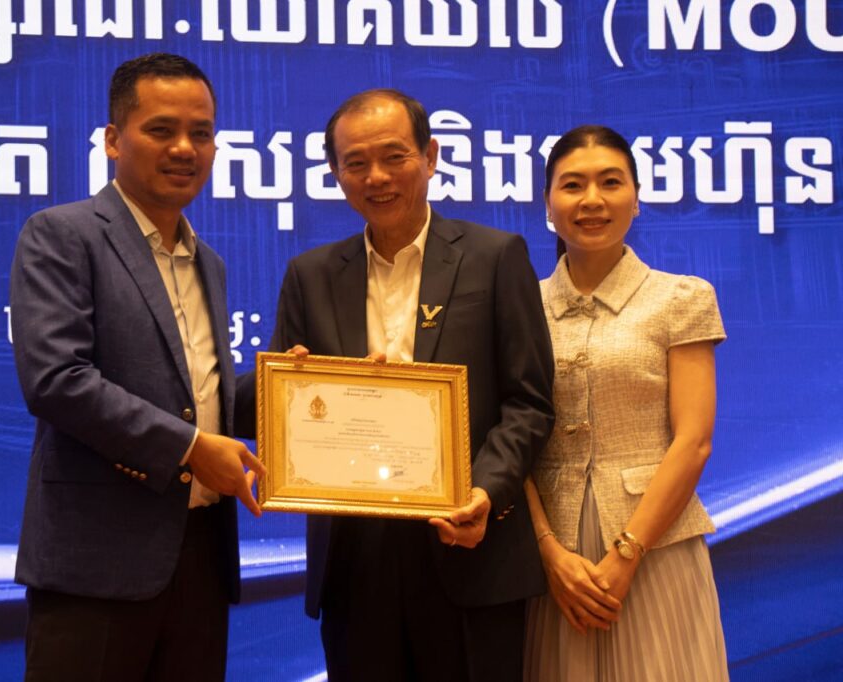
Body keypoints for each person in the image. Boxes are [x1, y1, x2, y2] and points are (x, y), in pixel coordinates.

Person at [239, 89, 555, 681]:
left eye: (393, 157)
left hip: (470, 546)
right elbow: (269, 406)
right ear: (336, 173)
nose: (376, 177)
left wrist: (485, 491)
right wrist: (285, 388)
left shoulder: (494, 257)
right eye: (355, 163)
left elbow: (529, 403)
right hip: (355, 561)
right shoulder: (310, 275)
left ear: (430, 157)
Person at [9, 53, 264, 682]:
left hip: (200, 560)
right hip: (95, 564)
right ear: (113, 140)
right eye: (161, 130)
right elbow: (56, 380)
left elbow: (199, 398)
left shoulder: (208, 262)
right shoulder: (62, 234)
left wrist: (293, 387)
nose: (184, 148)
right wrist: (190, 450)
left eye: (201, 133)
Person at [522, 125, 730, 681]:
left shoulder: (682, 297)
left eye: (610, 183)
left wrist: (627, 553)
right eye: (572, 185)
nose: (592, 200)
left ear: (636, 198)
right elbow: (510, 440)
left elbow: (694, 441)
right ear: (548, 203)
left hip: (656, 545)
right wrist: (546, 551)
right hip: (557, 564)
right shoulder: (520, 306)